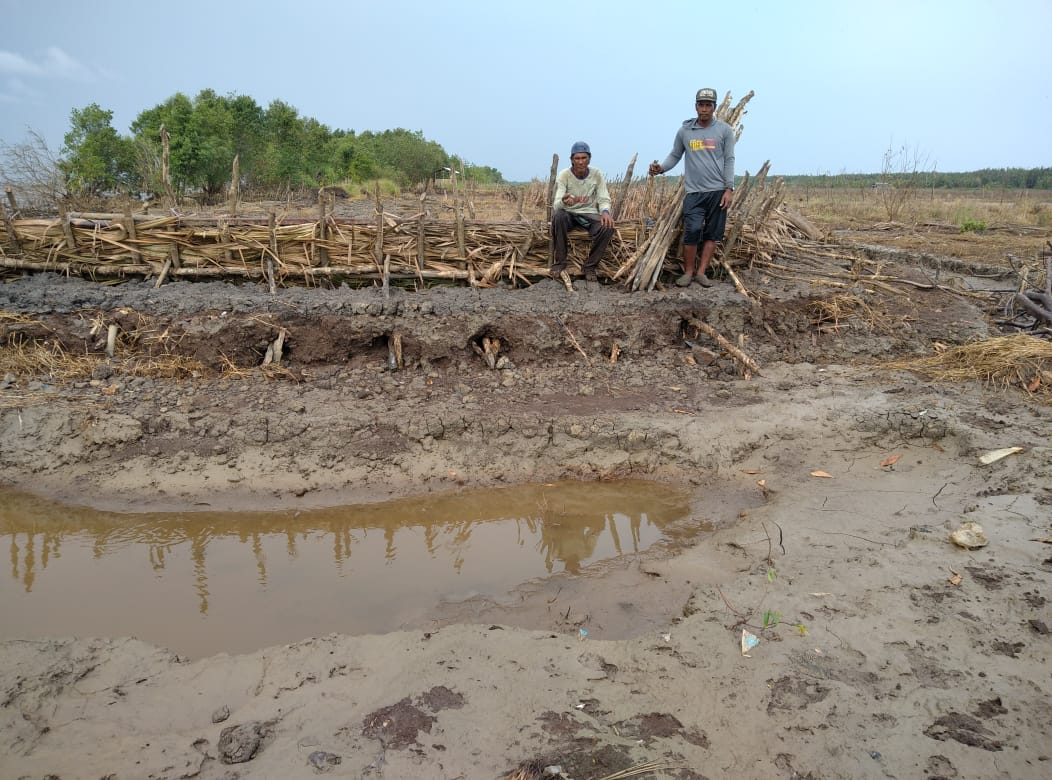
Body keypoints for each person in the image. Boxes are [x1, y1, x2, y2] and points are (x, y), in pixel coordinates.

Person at [648, 88, 736, 287]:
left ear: (714, 107)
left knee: (713, 233)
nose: (704, 109)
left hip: (717, 191)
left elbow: (729, 159)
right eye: (701, 105)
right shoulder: (685, 131)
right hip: (694, 192)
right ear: (696, 106)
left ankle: (701, 273)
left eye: (708, 105)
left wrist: (729, 188)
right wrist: (661, 168)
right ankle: (688, 272)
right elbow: (675, 155)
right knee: (693, 229)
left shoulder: (724, 131)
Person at [550, 141, 615, 282]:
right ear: (572, 160)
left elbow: (603, 197)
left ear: (589, 158)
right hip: (569, 214)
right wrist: (564, 201)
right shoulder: (564, 175)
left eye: (584, 158)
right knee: (558, 216)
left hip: (589, 214)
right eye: (577, 158)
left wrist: (605, 211)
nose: (580, 162)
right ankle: (560, 262)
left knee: (608, 227)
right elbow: (557, 204)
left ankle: (589, 267)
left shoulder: (596, 174)